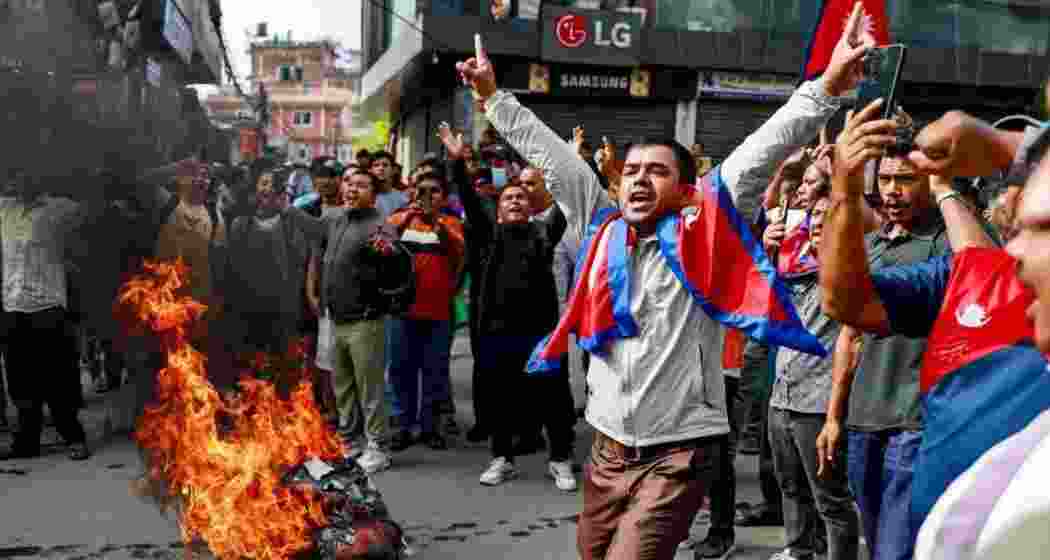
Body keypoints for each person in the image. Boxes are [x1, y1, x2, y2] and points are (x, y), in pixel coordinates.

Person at [455, 5, 871, 556]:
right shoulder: (599, 227)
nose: (638, 180)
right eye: (630, 171)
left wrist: (828, 86)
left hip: (676, 454)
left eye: (657, 171)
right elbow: (552, 159)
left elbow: (760, 151)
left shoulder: (704, 230)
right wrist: (492, 97)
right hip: (606, 450)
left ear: (685, 190)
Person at [819, 105, 1050, 552]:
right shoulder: (966, 274)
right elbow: (846, 300)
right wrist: (844, 188)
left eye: (1042, 226)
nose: (1016, 248)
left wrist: (1007, 147)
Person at [441, 128, 575, 490]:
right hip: (497, 334)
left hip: (542, 334)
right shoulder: (487, 235)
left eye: (521, 197)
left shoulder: (544, 235)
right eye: (508, 198)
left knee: (553, 398)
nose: (515, 200)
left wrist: (571, 162)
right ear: (498, 211)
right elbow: (468, 197)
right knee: (499, 399)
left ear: (532, 208)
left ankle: (560, 459)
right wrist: (457, 162)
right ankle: (502, 459)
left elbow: (565, 204)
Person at [386, 172, 465, 452]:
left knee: (434, 371)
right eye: (422, 190)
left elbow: (455, 249)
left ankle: (430, 427)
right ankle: (403, 427)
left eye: (434, 191)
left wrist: (434, 221)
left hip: (438, 312)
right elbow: (382, 248)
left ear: (443, 196)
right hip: (402, 310)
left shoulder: (452, 223)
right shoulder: (399, 219)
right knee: (399, 369)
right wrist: (409, 216)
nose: (427, 196)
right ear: (412, 192)